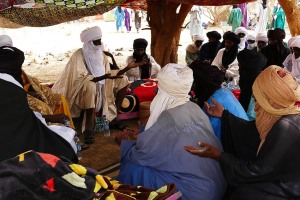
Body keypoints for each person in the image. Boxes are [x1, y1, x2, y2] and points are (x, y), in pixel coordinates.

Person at [185, 65, 300, 199]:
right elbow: (252, 132)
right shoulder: (278, 117)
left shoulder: (286, 125)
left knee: (243, 194)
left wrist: (219, 155)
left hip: (288, 188)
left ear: (270, 97)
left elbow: (257, 171)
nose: (252, 96)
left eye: (258, 93)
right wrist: (225, 116)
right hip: (276, 178)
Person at [117, 63, 227, 200]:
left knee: (133, 167)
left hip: (195, 194)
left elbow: (143, 153)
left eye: (159, 89)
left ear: (163, 91)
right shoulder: (194, 108)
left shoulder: (169, 116)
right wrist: (143, 133)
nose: (156, 92)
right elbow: (172, 139)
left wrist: (124, 143)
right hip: (217, 187)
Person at [52, 26, 146, 144]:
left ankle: (113, 118)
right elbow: (79, 79)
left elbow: (108, 73)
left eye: (100, 39)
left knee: (124, 79)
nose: (100, 43)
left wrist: (128, 68)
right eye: (97, 40)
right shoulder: (79, 55)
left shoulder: (101, 54)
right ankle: (88, 129)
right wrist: (103, 78)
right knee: (90, 85)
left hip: (102, 83)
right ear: (89, 42)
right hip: (82, 90)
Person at [0, 45, 77, 163]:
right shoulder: (14, 92)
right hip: (14, 152)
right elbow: (23, 124)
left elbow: (22, 117)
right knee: (63, 147)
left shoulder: (12, 88)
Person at [0, 34, 75, 129]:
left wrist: (35, 92)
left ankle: (69, 130)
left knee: (60, 99)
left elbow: (25, 81)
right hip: (17, 98)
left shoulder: (15, 62)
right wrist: (27, 93)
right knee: (44, 108)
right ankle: (54, 130)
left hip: (23, 93)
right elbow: (9, 91)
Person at [189, 61, 248, 140]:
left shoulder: (212, 103)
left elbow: (207, 137)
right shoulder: (224, 91)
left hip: (234, 147)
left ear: (198, 83)